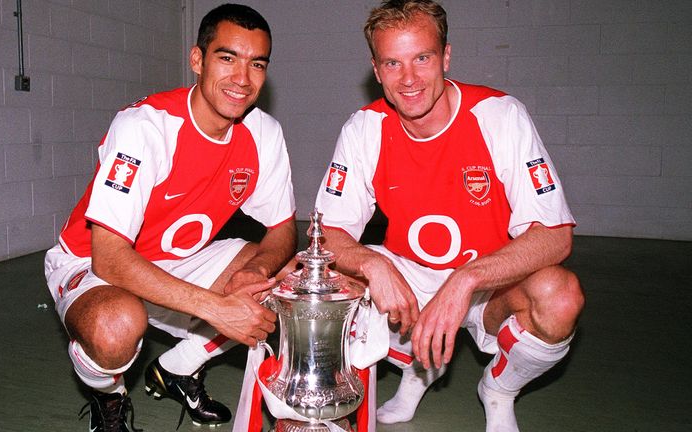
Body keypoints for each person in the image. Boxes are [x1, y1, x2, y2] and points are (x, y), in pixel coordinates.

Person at [314, 1, 584, 430]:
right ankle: (416, 369)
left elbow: (555, 237)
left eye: (422, 57)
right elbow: (325, 234)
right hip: (411, 278)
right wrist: (373, 263)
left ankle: (498, 390)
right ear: (376, 70)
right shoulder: (365, 128)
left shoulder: (498, 115)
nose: (409, 79)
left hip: (489, 281)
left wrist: (466, 279)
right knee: (321, 285)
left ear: (446, 57)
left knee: (560, 295)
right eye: (392, 62)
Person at [44, 4, 297, 431]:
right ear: (197, 60)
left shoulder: (263, 134)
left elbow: (283, 228)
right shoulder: (145, 127)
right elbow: (109, 258)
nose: (242, 78)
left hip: (177, 260)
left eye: (257, 64)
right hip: (92, 265)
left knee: (283, 277)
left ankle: (179, 366)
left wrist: (253, 272)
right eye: (227, 58)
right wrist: (217, 307)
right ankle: (109, 396)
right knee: (117, 326)